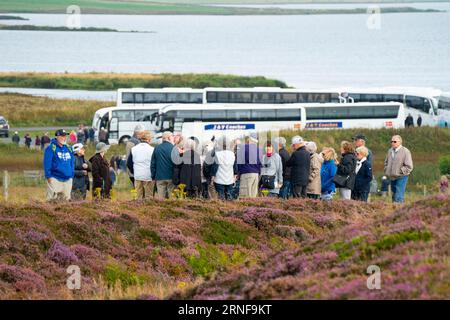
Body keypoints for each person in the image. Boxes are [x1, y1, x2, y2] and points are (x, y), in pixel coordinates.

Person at [43, 129, 74, 201]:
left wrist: (71, 175)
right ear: (57, 137)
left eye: (65, 136)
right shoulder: (51, 148)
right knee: (52, 200)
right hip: (55, 178)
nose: (64, 138)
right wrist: (49, 177)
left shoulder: (69, 148)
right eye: (62, 136)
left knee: (66, 201)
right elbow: (47, 163)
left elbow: (72, 162)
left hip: (67, 179)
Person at [384, 135, 413, 203]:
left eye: (394, 141)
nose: (392, 143)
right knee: (394, 195)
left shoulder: (406, 151)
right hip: (392, 176)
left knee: (398, 196)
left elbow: (409, 166)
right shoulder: (390, 150)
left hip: (402, 176)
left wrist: (400, 171)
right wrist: (386, 169)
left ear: (400, 142)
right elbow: (386, 162)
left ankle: (399, 210)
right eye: (391, 141)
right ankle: (395, 211)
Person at [127, 131, 155, 200]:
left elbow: (129, 163)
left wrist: (134, 171)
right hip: (149, 176)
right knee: (149, 197)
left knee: (138, 198)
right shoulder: (152, 149)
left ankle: (138, 210)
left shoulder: (133, 149)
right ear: (149, 139)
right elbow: (154, 163)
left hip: (137, 175)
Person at [210, 136, 237, 200]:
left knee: (221, 198)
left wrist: (212, 178)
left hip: (219, 179)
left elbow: (215, 167)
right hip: (230, 179)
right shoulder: (232, 154)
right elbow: (235, 166)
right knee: (229, 197)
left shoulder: (217, 154)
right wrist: (235, 176)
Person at [236, 132, 262, 198]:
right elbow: (261, 164)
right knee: (253, 197)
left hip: (246, 174)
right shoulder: (260, 150)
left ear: (249, 139)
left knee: (244, 197)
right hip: (256, 175)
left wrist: (238, 173)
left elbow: (239, 162)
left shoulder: (243, 147)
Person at [151, 131, 175, 199]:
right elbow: (176, 164)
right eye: (172, 136)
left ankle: (161, 209)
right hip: (171, 176)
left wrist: (153, 176)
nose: (173, 138)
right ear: (169, 138)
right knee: (172, 199)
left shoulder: (157, 148)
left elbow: (153, 163)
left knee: (161, 199)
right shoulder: (173, 148)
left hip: (159, 177)